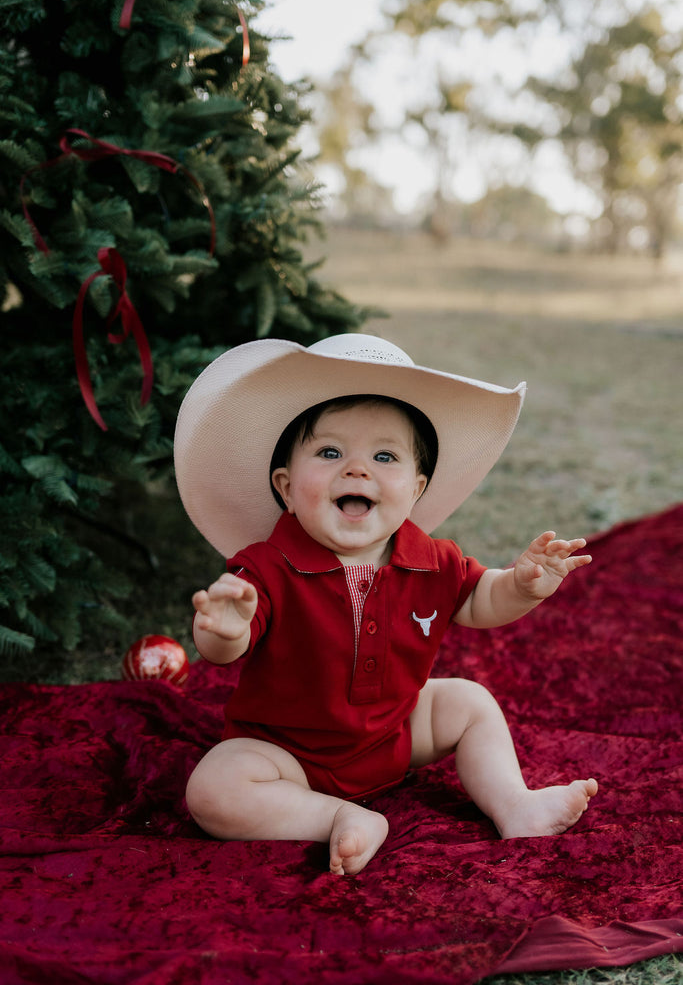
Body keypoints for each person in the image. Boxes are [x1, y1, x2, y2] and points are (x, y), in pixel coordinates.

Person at [174, 333, 597, 876]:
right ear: (285, 487)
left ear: (417, 488)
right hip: (286, 755)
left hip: (395, 735)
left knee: (468, 701)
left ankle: (514, 803)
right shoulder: (265, 566)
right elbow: (224, 649)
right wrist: (223, 629)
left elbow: (478, 601)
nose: (357, 470)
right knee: (213, 787)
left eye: (384, 455)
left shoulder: (432, 559)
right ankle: (339, 818)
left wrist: (522, 586)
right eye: (330, 453)